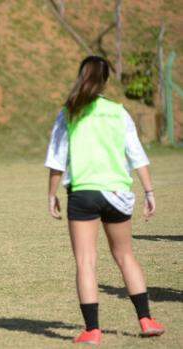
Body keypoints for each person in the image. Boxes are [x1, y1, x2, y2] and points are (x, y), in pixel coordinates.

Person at [45, 56, 165, 344]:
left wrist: (51, 195)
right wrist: (149, 192)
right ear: (106, 80)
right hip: (117, 192)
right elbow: (136, 155)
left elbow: (57, 161)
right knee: (125, 256)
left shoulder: (70, 111)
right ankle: (146, 320)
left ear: (80, 76)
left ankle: (92, 331)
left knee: (86, 261)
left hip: (84, 192)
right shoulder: (118, 112)